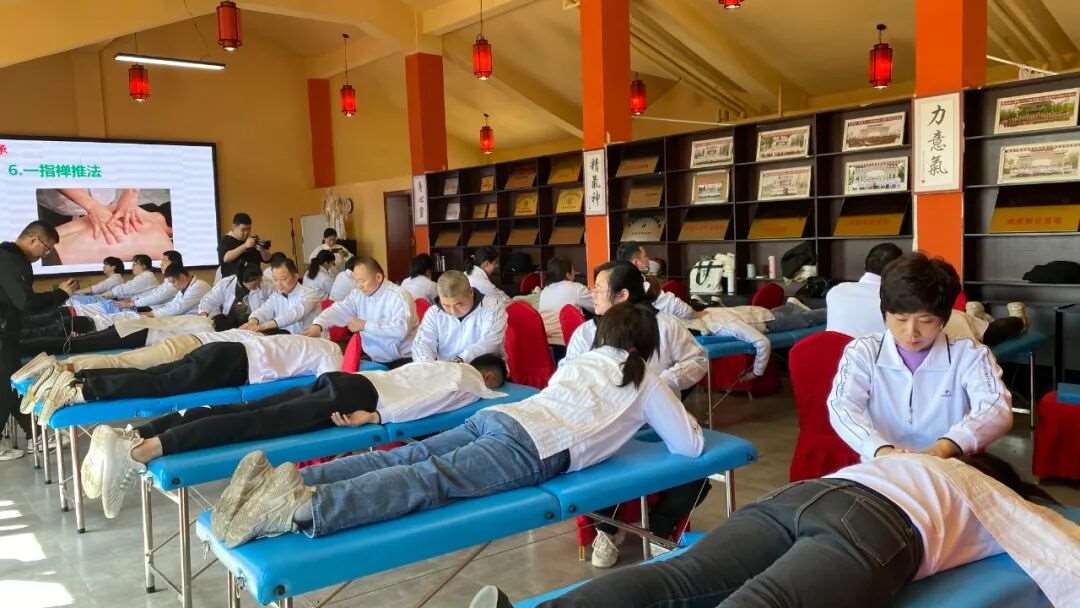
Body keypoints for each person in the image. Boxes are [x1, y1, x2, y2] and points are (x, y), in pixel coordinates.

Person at [207, 302, 704, 548]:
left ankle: (290, 480)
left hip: (501, 419)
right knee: (428, 480)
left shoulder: (580, 361)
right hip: (533, 447)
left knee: (409, 456)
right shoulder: (646, 379)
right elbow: (688, 446)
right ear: (646, 344)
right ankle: (302, 509)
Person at [471, 453, 1080, 608]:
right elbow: (1061, 548)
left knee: (677, 578)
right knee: (762, 604)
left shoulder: (911, 457)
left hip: (798, 497)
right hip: (876, 525)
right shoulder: (989, 491)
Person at [84, 355, 508, 518]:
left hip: (347, 379)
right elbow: (432, 402)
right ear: (490, 375)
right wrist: (376, 418)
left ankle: (132, 436)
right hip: (361, 397)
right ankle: (143, 451)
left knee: (245, 411)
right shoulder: (470, 378)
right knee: (251, 425)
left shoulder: (437, 361)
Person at [562, 261, 707, 567]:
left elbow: (697, 361)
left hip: (658, 426)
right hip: (607, 427)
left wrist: (664, 382)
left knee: (697, 471)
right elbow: (568, 375)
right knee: (585, 466)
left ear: (623, 295)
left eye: (599, 289)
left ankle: (660, 526)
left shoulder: (664, 325)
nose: (592, 294)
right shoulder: (587, 332)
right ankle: (607, 529)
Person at [828, 253, 1012, 462]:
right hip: (882, 464)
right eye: (900, 319)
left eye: (926, 321)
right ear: (884, 314)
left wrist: (945, 447)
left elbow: (995, 408)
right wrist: (881, 449)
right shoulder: (863, 352)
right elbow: (843, 407)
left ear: (943, 319)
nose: (911, 332)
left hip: (949, 465)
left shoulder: (970, 355)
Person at [33, 330, 343, 425]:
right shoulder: (332, 352)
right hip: (234, 364)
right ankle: (80, 393)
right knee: (159, 385)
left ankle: (81, 379)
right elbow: (332, 386)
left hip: (221, 349)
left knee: (151, 374)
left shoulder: (304, 340)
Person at [0, 221, 78, 460]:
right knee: (7, 386)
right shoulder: (10, 260)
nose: (46, 253)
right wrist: (61, 294)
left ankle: (36, 435)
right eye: (46, 248)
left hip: (7, 331)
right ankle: (36, 436)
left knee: (13, 383)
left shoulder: (11, 258)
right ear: (33, 239)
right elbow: (26, 302)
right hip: (3, 333)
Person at [303, 256, 417, 366]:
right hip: (373, 358)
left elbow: (400, 330)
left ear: (378, 277)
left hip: (402, 360)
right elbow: (339, 309)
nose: (359, 286)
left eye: (362, 281)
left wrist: (364, 325)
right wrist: (319, 324)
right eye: (356, 281)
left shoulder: (399, 296)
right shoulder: (358, 294)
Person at [412, 270, 507, 363]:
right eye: (446, 305)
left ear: (471, 292)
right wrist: (427, 365)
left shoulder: (493, 307)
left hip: (482, 366)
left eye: (459, 304)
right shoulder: (434, 313)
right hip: (445, 368)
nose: (453, 311)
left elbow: (491, 343)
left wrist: (460, 361)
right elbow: (422, 344)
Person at [826, 243, 903, 337]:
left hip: (831, 345)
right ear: (899, 272)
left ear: (864, 265)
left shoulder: (836, 291)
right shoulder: (895, 301)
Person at [241, 257, 321, 335]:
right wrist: (252, 322)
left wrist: (262, 326)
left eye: (283, 279)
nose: (279, 284)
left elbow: (293, 314)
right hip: (287, 339)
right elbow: (264, 310)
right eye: (275, 280)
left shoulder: (310, 294)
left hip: (309, 340)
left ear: (296, 277)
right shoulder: (276, 296)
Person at [617, 242, 696, 320]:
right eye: (645, 256)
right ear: (636, 262)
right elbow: (677, 307)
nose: (648, 259)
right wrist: (695, 315)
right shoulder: (644, 286)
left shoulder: (615, 282)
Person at [537, 256, 592, 357]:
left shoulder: (545, 290)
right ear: (568, 274)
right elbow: (596, 306)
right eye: (573, 270)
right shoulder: (576, 288)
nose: (575, 273)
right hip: (567, 344)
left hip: (545, 343)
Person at [198, 263, 272, 331]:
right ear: (243, 281)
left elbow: (271, 306)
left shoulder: (267, 284)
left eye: (260, 281)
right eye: (255, 285)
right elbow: (209, 300)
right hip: (231, 321)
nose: (258, 286)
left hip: (253, 322)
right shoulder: (226, 283)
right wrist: (203, 315)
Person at [115, 250, 182, 309]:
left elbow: (159, 297)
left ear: (174, 263)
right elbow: (154, 293)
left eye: (164, 261)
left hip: (157, 311)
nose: (161, 264)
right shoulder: (167, 280)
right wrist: (132, 301)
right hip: (155, 309)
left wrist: (132, 303)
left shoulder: (176, 280)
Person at [146, 263, 211, 318]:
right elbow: (172, 304)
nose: (173, 285)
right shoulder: (184, 288)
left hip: (204, 322)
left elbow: (179, 308)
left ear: (182, 277)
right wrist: (152, 312)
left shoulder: (199, 286)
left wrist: (152, 314)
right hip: (189, 319)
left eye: (173, 282)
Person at [218, 212, 270, 279]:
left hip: (255, 280)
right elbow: (226, 258)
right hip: (234, 281)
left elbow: (267, 259)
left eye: (249, 229)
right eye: (243, 229)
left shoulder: (252, 239)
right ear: (234, 227)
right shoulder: (225, 241)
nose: (246, 232)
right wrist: (245, 246)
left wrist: (262, 250)